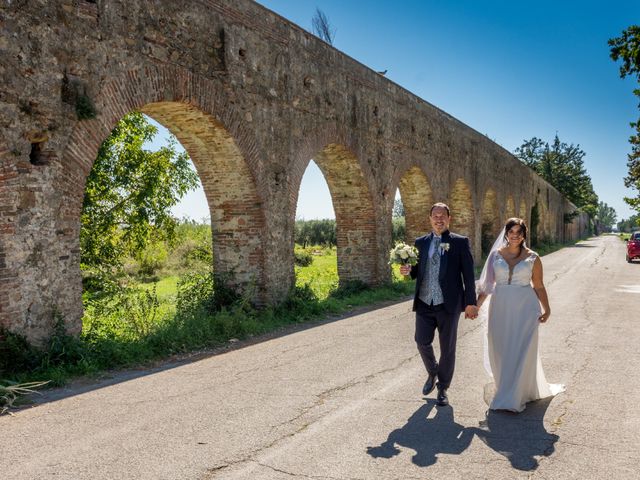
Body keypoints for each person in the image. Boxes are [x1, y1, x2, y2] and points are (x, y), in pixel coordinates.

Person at [476, 217, 564, 413]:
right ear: (506, 234)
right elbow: (488, 285)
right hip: (500, 307)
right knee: (500, 348)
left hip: (526, 308)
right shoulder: (495, 256)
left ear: (524, 235)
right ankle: (505, 386)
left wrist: (547, 309)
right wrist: (476, 306)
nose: (515, 236)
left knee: (522, 349)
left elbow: (539, 286)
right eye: (511, 232)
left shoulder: (534, 257)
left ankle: (514, 395)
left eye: (519, 232)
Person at [400, 203, 478, 406]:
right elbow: (417, 272)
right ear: (430, 219)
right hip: (425, 301)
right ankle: (433, 371)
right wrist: (408, 271)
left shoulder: (460, 242)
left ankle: (443, 388)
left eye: (442, 216)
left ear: (449, 219)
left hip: (449, 304)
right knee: (421, 340)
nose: (439, 219)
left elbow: (468, 276)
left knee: (448, 348)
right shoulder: (420, 243)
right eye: (435, 216)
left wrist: (471, 302)